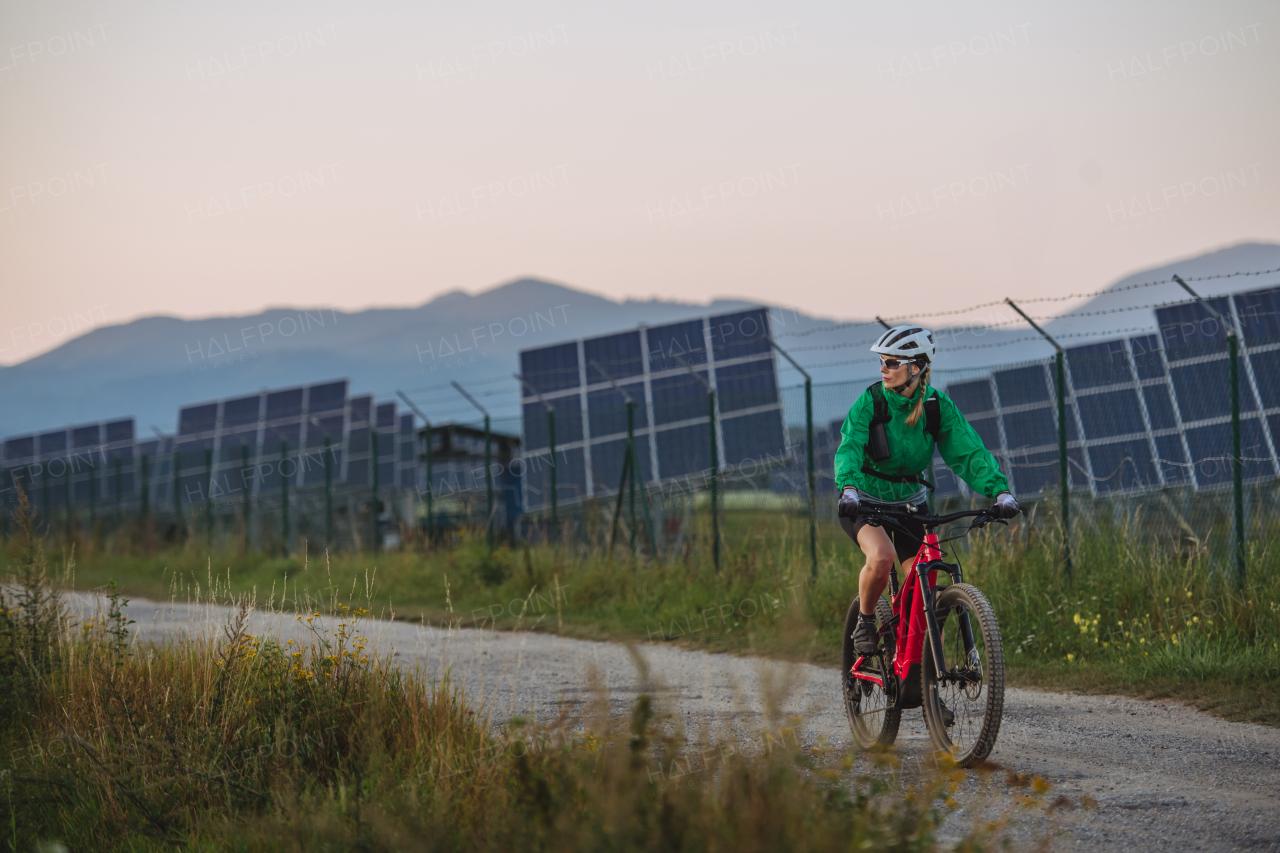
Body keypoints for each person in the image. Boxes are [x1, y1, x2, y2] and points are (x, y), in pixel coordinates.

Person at [834, 325, 1019, 655]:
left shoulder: (936, 407)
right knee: (881, 556)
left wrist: (999, 491)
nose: (883, 369)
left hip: (909, 504)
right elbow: (849, 447)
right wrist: (848, 488)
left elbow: (969, 452)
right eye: (883, 361)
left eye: (891, 362)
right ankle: (865, 621)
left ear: (914, 367)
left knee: (926, 594)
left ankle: (928, 679)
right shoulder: (871, 403)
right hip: (863, 501)